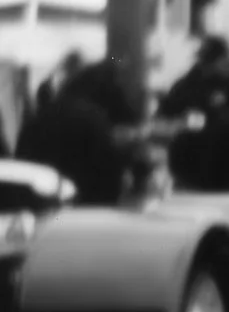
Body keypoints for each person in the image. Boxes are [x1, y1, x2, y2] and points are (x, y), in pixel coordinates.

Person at [17, 54, 142, 208]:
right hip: (90, 209)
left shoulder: (42, 118)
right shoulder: (95, 120)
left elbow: (23, 166)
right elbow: (109, 174)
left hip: (42, 207)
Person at [160, 35, 229, 193]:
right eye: (205, 62)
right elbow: (168, 116)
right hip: (192, 163)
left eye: (212, 61)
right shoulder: (188, 85)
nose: (207, 67)